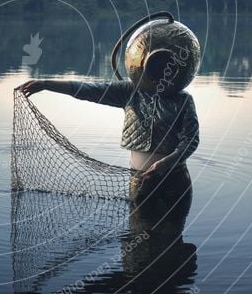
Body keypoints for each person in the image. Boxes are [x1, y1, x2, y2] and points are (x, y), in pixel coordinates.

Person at [16, 49, 199, 218]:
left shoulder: (183, 100)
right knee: (137, 243)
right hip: (138, 180)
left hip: (174, 181)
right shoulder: (130, 91)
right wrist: (46, 84)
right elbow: (89, 91)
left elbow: (191, 139)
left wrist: (167, 162)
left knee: (171, 240)